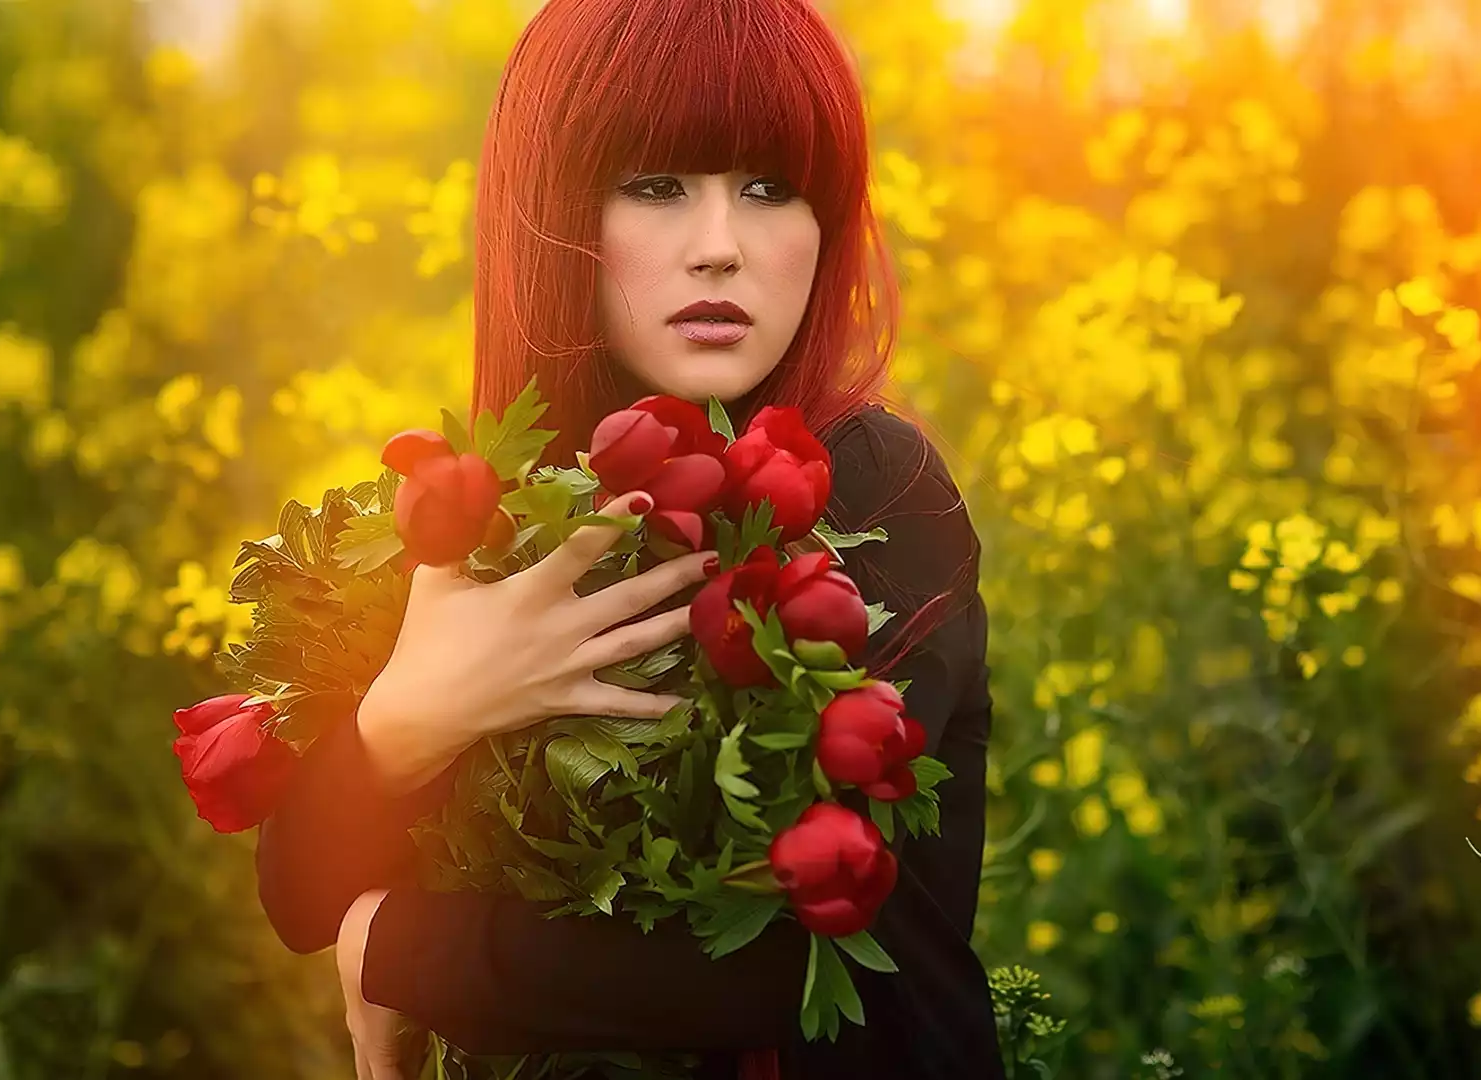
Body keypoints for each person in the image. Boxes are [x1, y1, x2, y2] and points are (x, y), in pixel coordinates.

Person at [250, 1, 1005, 1078]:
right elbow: (298, 894)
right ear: (549, 212)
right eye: (654, 187)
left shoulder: (870, 485)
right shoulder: (507, 518)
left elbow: (787, 959)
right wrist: (414, 716)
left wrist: (402, 944)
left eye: (770, 188)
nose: (720, 249)